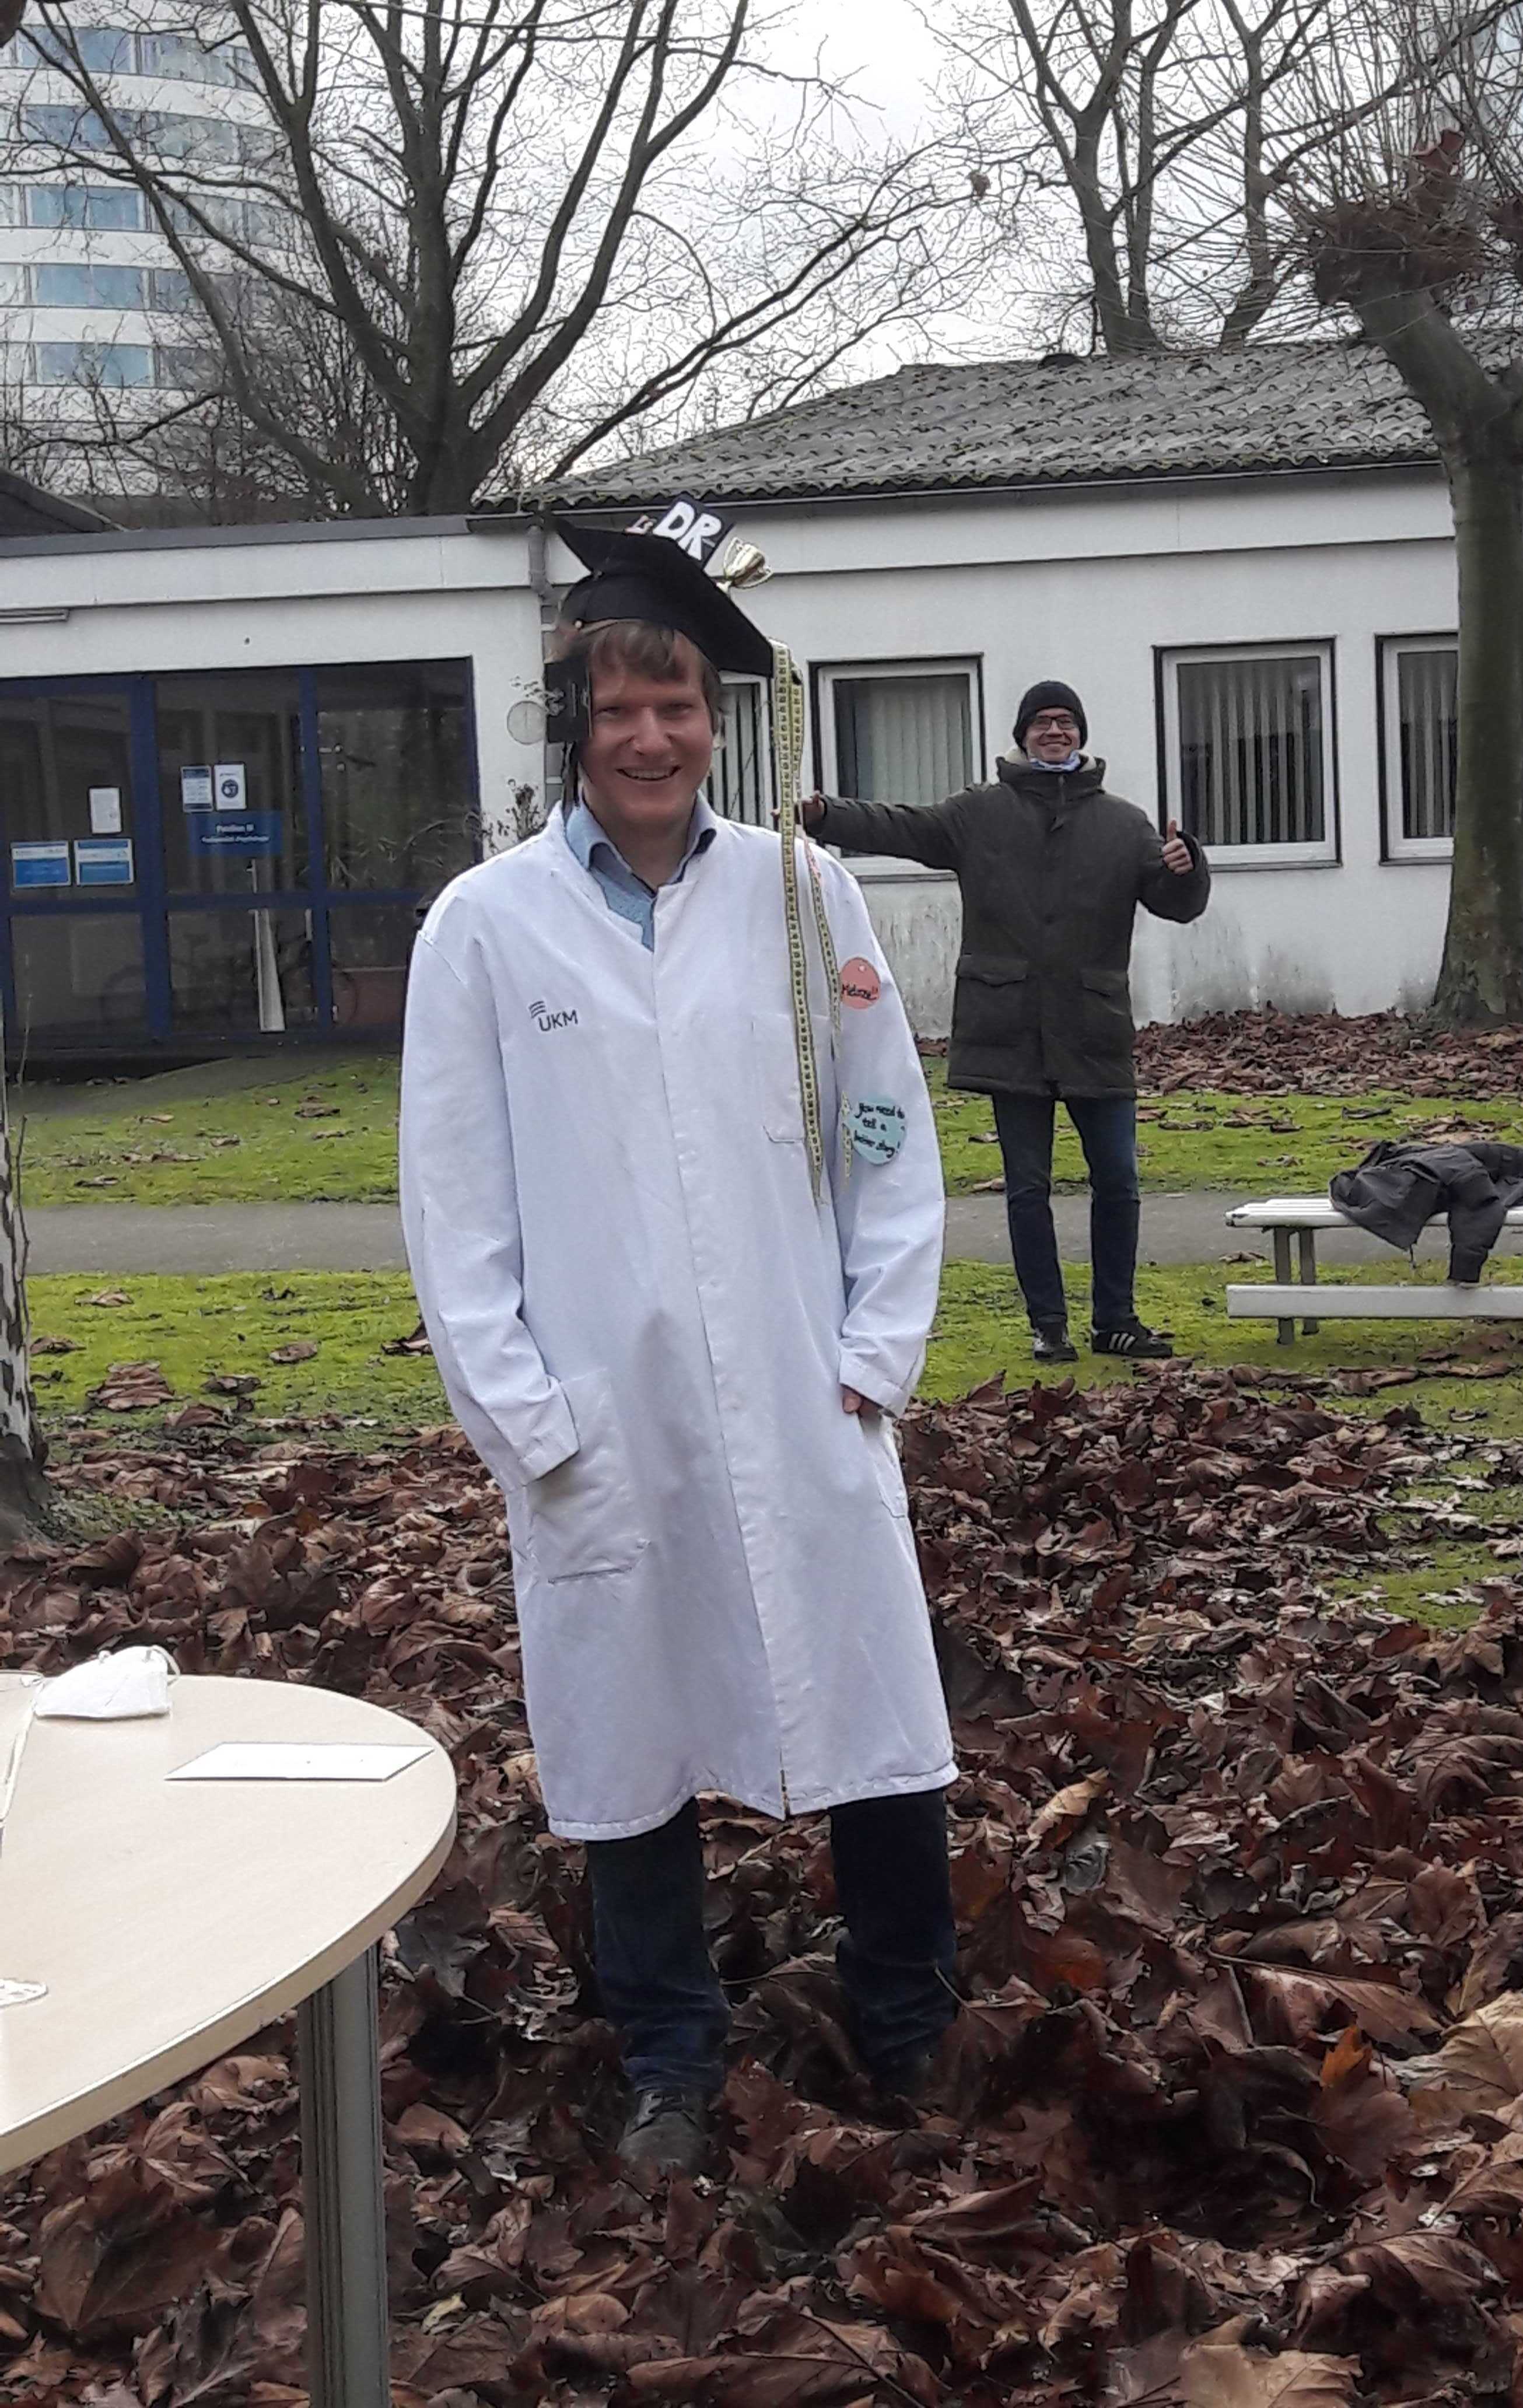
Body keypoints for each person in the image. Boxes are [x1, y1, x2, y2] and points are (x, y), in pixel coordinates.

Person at [399, 525, 958, 2181]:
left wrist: (876, 1347)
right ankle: (668, 2048)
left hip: (804, 1379)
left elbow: (885, 1130)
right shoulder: (485, 927)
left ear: (716, 721)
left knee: (873, 1699)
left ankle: (910, 2014)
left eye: (681, 706)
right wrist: (527, 1418)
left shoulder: (800, 895)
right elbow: (454, 1198)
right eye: (621, 706)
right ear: (573, 717)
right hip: (602, 1409)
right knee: (626, 1724)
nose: (651, 737)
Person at [804, 681, 1209, 1363]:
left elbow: (1177, 903)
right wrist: (824, 815)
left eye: (1066, 722)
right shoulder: (980, 813)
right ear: (1023, 735)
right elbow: (903, 826)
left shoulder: (1124, 823)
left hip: (1094, 1028)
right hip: (1009, 1027)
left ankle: (1115, 1320)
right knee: (1028, 1187)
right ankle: (1048, 1326)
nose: (1055, 732)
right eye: (1042, 722)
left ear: (1080, 734)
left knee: (1118, 1179)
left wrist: (1185, 865)